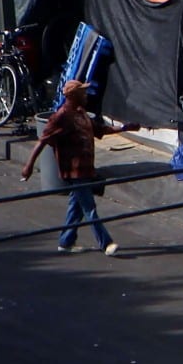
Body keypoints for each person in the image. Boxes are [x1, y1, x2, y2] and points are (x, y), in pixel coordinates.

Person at [20, 80, 125, 255]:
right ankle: (106, 243)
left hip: (86, 168)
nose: (86, 95)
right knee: (89, 208)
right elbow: (43, 141)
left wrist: (124, 128)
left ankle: (66, 241)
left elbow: (99, 129)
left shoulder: (80, 113)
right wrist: (29, 165)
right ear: (72, 96)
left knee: (76, 206)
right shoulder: (61, 117)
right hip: (74, 170)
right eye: (82, 93)